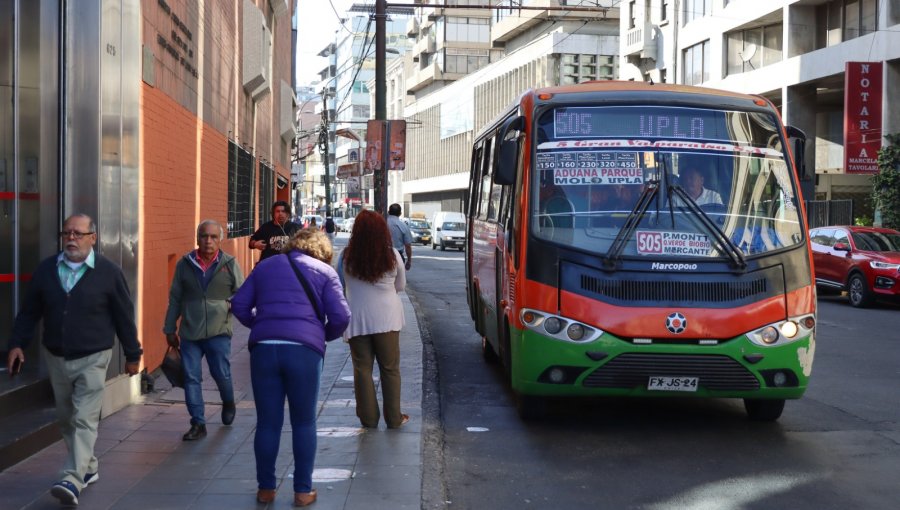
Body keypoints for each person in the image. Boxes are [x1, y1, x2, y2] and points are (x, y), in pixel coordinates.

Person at [6, 213, 143, 507]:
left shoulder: (109, 272)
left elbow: (124, 316)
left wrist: (133, 355)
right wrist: (17, 344)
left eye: (78, 234)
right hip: (56, 357)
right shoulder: (46, 270)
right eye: (67, 233)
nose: (71, 238)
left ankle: (72, 477)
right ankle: (89, 464)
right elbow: (29, 312)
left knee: (84, 418)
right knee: (67, 417)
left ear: (92, 237)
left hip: (94, 356)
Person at [231, 229, 350, 507]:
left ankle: (266, 489)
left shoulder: (266, 266)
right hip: (304, 352)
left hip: (264, 349)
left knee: (268, 422)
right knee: (304, 421)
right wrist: (320, 335)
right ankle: (302, 491)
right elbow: (342, 316)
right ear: (323, 252)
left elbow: (238, 305)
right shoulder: (325, 272)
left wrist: (260, 325)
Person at [163, 220, 244, 441]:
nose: (208, 241)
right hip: (190, 331)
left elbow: (243, 292)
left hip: (219, 331)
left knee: (221, 373)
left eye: (213, 237)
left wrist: (229, 303)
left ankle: (228, 401)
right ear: (197, 238)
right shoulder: (185, 264)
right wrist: (169, 327)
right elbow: (175, 298)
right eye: (204, 236)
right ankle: (198, 423)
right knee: (191, 377)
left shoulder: (229, 263)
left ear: (220, 239)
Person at [339, 210, 409, 429]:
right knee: (390, 369)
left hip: (357, 318)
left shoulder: (346, 255)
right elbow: (401, 286)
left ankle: (368, 419)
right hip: (387, 318)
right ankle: (394, 418)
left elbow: (340, 284)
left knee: (362, 368)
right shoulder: (392, 256)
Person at [387, 203, 413, 271]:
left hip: (381, 256)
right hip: (398, 258)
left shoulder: (382, 223)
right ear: (400, 213)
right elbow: (408, 246)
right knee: (398, 280)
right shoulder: (403, 226)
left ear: (388, 212)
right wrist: (409, 261)